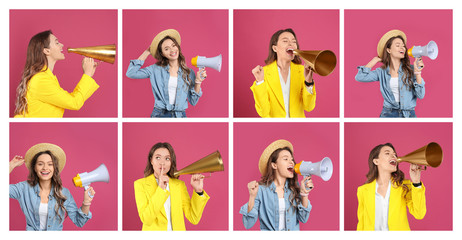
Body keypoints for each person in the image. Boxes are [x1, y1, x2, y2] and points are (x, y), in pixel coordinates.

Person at [14, 30, 99, 118]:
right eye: (57, 43)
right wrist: (87, 75)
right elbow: (74, 102)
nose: (62, 45)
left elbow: (72, 99)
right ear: (47, 51)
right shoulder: (41, 80)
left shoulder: (46, 77)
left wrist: (89, 74)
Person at [9, 143, 95, 230]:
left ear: (54, 168)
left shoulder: (64, 193)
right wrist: (11, 165)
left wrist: (86, 202)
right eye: (40, 164)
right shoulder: (23, 188)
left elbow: (79, 221)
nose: (45, 168)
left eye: (50, 164)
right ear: (34, 168)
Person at [126, 29, 207, 118]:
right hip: (160, 114)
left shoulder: (188, 72)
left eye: (173, 46)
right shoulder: (155, 69)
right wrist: (147, 52)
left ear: (178, 47)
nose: (172, 50)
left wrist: (198, 82)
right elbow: (131, 73)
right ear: (162, 53)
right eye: (166, 49)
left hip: (180, 116)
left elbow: (193, 101)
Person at [134, 142, 209, 230]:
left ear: (171, 162)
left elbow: (193, 218)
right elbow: (147, 219)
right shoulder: (140, 184)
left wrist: (198, 191)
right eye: (158, 157)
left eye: (167, 159)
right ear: (151, 160)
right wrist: (161, 189)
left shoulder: (179, 185)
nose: (162, 162)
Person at [239, 140, 313, 230]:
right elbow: (248, 224)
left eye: (292, 159)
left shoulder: (295, 188)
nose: (292, 162)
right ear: (274, 165)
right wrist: (252, 196)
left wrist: (304, 194)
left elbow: (303, 219)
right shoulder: (261, 190)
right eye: (286, 159)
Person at [355, 30, 425, 118]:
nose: (402, 48)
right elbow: (360, 77)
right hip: (388, 114)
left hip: (409, 114)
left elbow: (421, 95)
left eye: (403, 46)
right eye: (398, 45)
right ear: (388, 50)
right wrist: (374, 60)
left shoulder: (411, 69)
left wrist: (418, 72)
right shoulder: (381, 72)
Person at [356, 143, 426, 231]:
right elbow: (361, 225)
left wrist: (416, 182)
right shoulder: (363, 191)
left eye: (394, 154)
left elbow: (419, 214)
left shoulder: (404, 186)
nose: (394, 156)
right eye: (387, 153)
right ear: (376, 161)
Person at [250, 28, 316, 118]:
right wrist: (260, 82)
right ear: (274, 48)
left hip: (298, 127)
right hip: (274, 128)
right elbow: (263, 112)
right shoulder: (263, 73)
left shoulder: (302, 71)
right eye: (285, 41)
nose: (291, 44)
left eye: (294, 41)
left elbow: (309, 107)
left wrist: (308, 82)